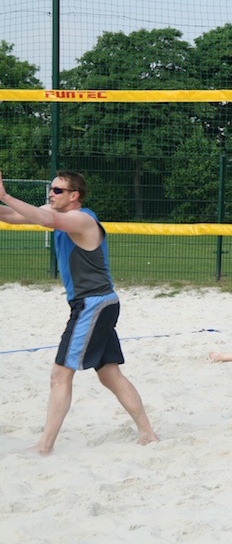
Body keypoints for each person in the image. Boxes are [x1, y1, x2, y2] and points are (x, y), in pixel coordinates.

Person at [0, 169, 159, 454]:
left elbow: (46, 219)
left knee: (60, 374)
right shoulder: (57, 214)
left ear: (74, 195)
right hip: (100, 304)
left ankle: (44, 446)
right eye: (51, 188)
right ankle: (148, 434)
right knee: (109, 375)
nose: (51, 193)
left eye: (57, 190)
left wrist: (6, 195)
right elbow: (11, 216)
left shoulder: (81, 219)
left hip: (92, 305)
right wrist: (5, 203)